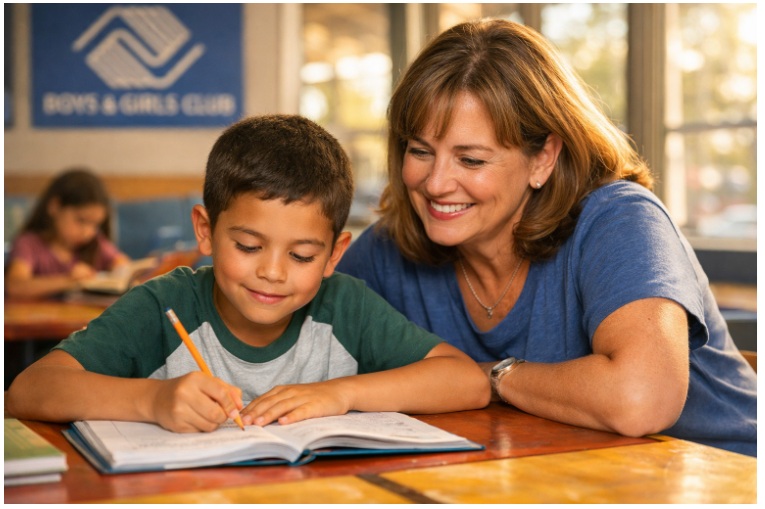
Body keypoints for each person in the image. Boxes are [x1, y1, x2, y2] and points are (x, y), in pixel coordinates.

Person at [337, 19, 756, 457]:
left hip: (728, 476)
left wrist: (492, 378)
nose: (436, 183)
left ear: (543, 159)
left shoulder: (620, 219)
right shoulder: (390, 247)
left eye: (472, 160)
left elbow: (640, 401)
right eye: (420, 151)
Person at [6, 114, 489, 432]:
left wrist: (340, 394)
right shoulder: (164, 307)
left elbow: (466, 381)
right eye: (248, 246)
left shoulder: (345, 307)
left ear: (333, 255)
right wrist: (152, 401)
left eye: (302, 256)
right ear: (205, 230)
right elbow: (28, 390)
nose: (272, 273)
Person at [5, 168, 130, 299]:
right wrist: (69, 281)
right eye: (81, 220)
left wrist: (119, 269)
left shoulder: (96, 244)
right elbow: (15, 286)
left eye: (95, 225)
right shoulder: (28, 244)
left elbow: (121, 262)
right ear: (55, 207)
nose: (87, 232)